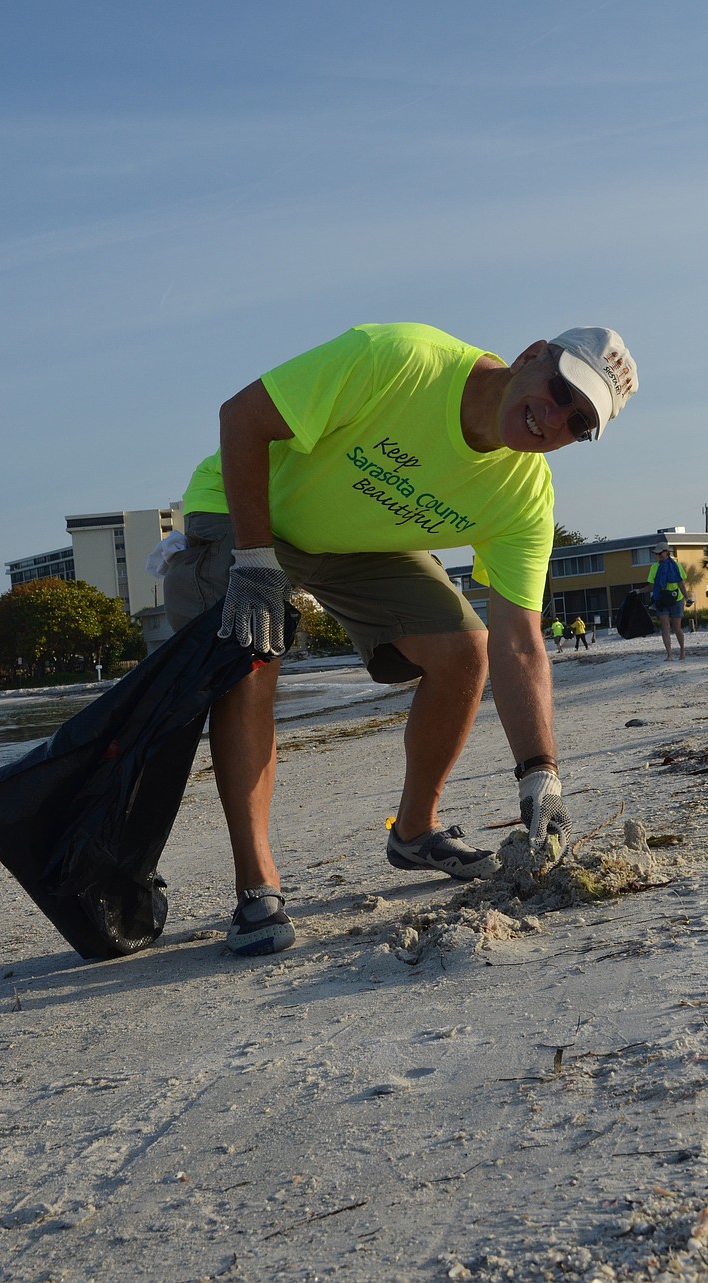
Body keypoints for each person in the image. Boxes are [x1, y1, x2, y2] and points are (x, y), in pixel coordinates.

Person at [164, 322, 638, 956]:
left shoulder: (524, 494)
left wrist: (540, 774)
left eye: (578, 424)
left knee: (464, 652)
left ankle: (414, 832)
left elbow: (519, 641)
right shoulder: (398, 358)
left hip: (351, 542)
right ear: (530, 357)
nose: (553, 420)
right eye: (558, 391)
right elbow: (241, 417)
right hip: (247, 507)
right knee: (256, 650)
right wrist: (252, 558)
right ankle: (257, 885)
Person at [647, 543, 692, 660]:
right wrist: (638, 591)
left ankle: (682, 651)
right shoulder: (654, 567)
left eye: (660, 552)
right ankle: (669, 654)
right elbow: (651, 586)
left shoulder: (676, 565)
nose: (659, 555)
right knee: (665, 627)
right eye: (657, 553)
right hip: (661, 600)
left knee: (677, 627)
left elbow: (681, 583)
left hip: (676, 599)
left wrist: (687, 598)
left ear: (667, 552)